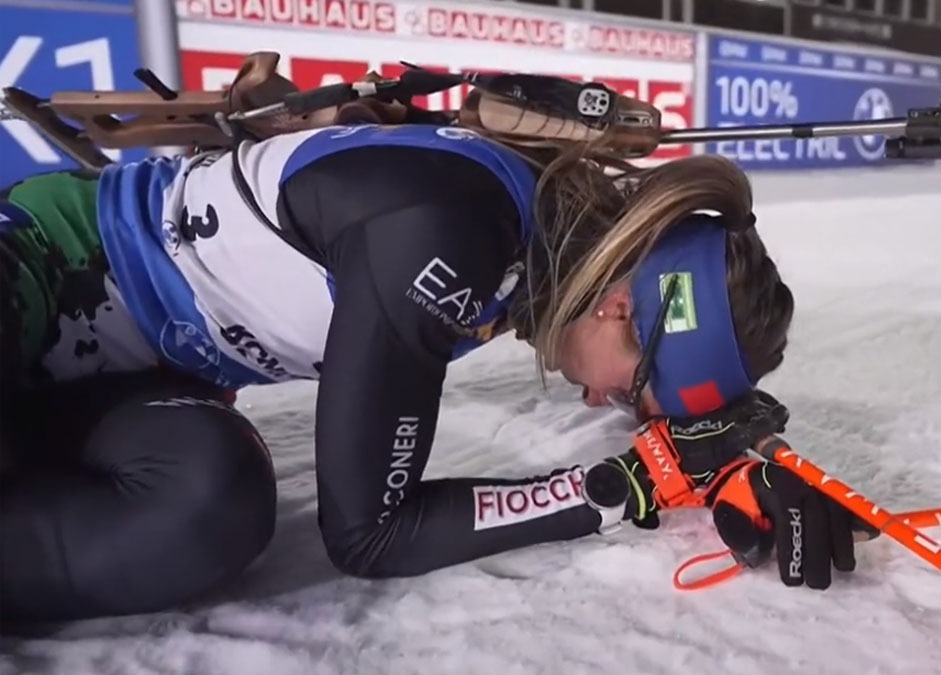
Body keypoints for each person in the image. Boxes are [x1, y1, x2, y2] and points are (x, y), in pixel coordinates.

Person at [0, 103, 861, 624]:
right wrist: (624, 485)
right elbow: (370, 532)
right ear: (619, 307)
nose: (606, 399)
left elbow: (674, 383)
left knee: (208, 504)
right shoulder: (448, 233)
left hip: (139, 376)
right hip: (46, 267)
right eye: (633, 390)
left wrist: (739, 456)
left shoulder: (552, 238)